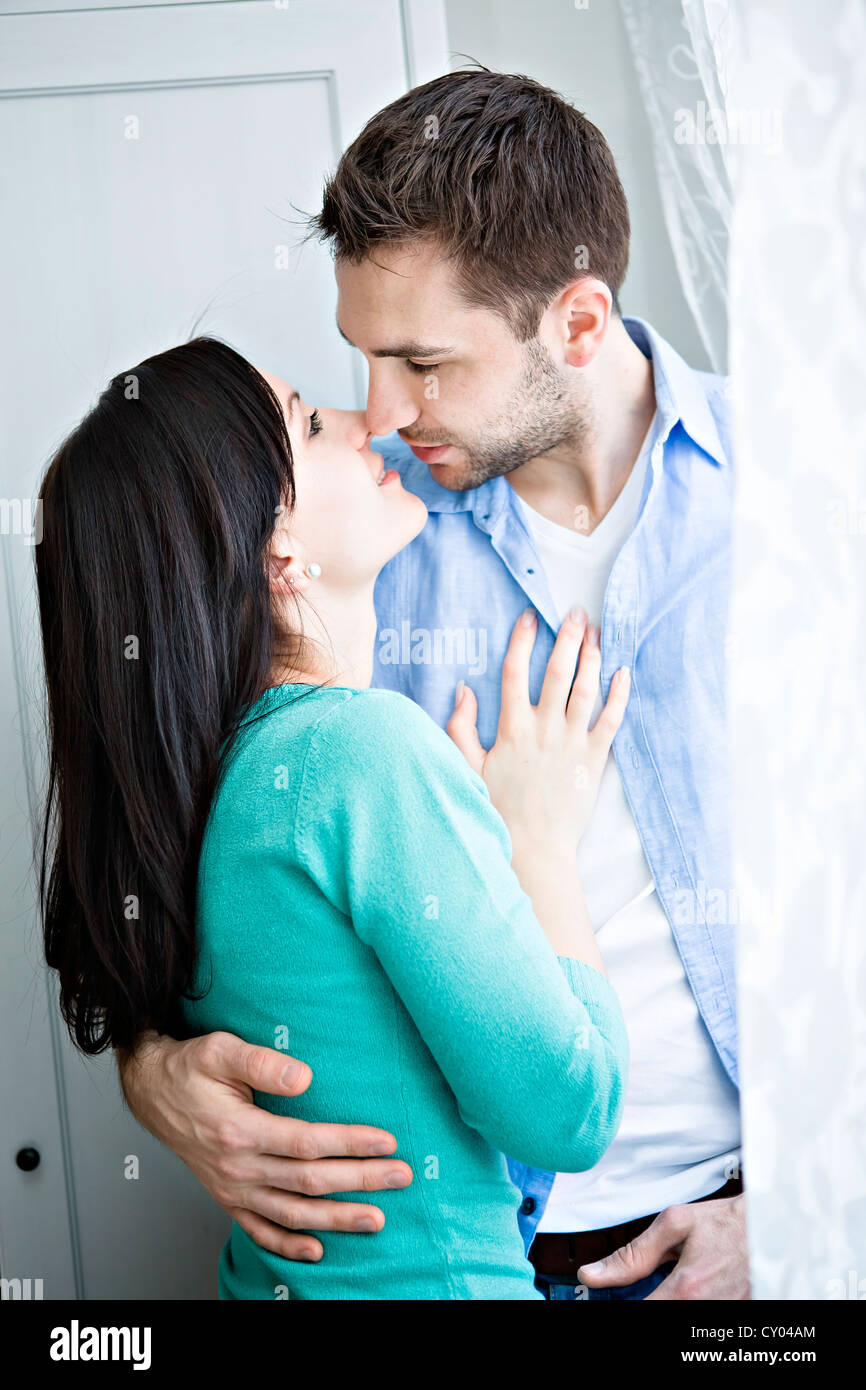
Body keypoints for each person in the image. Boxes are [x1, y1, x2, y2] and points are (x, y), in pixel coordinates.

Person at [117, 68, 749, 1301]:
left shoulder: (812, 496)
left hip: (742, 1238)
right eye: (361, 359)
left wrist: (809, 1214)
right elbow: (189, 856)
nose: (378, 413)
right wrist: (154, 1069)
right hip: (459, 1251)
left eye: (419, 362)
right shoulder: (351, 542)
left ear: (577, 323)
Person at [35, 335, 630, 1299]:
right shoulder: (363, 754)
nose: (369, 425)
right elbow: (571, 1109)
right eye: (312, 424)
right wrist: (540, 845)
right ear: (279, 553)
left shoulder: (197, 785)